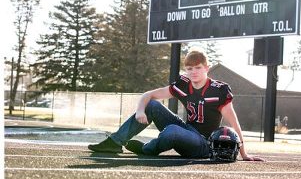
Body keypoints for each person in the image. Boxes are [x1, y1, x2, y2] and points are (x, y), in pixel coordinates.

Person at [88, 49, 260, 161]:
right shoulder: (183, 84)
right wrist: (141, 110)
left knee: (172, 131)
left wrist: (244, 154)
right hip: (187, 129)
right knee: (152, 106)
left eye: (198, 68)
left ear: (207, 68)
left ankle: (148, 149)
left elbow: (234, 122)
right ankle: (115, 142)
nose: (193, 72)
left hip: (202, 143)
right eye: (189, 68)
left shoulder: (219, 90)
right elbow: (149, 95)